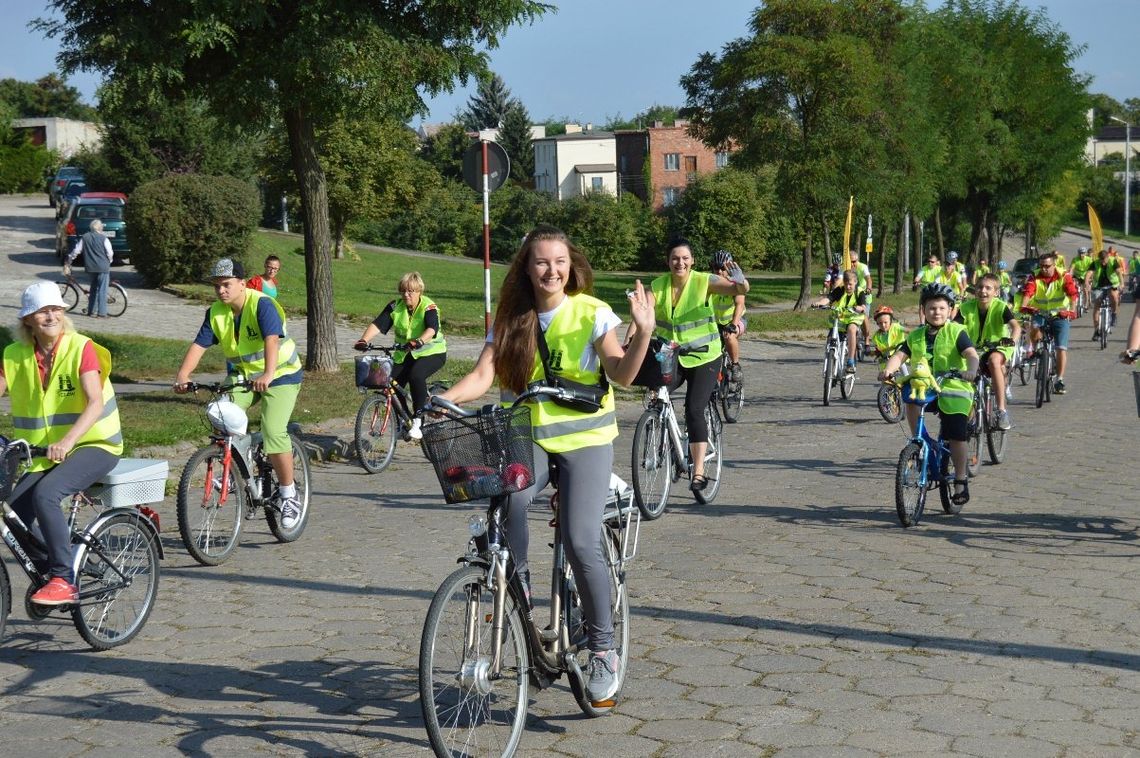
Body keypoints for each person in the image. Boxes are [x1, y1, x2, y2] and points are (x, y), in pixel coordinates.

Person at [436, 225, 655, 705]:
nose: (551, 269)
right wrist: (443, 399)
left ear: (571, 266)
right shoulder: (513, 318)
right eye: (541, 261)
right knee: (508, 496)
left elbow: (621, 371)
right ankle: (518, 587)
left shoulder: (592, 312)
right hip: (529, 438)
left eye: (560, 261)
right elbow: (482, 374)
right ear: (527, 268)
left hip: (586, 440)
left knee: (579, 538)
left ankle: (602, 649)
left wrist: (643, 333)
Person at [1, 282, 122, 605]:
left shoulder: (81, 347)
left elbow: (95, 402)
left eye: (55, 309)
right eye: (42, 311)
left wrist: (69, 440)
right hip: (46, 453)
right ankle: (50, 569)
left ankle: (63, 579)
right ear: (28, 319)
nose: (51, 315)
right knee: (12, 516)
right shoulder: (14, 355)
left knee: (47, 494)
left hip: (96, 443)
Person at [174, 258, 304, 529]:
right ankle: (236, 467)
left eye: (227, 285)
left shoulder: (262, 304)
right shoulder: (216, 313)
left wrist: (268, 374)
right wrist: (183, 376)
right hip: (243, 377)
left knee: (273, 430)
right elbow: (199, 345)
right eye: (217, 286)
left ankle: (289, 494)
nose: (221, 290)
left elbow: (271, 339)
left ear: (242, 284)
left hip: (281, 374)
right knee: (220, 412)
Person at [633, 238, 750, 495]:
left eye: (685, 258)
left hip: (705, 356)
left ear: (693, 261)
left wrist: (741, 281)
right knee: (656, 393)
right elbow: (644, 309)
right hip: (672, 356)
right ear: (668, 261)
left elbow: (736, 290)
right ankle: (662, 428)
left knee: (693, 408)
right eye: (675, 258)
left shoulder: (703, 281)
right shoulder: (659, 285)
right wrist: (632, 334)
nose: (680, 262)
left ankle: (698, 472)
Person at [880, 283, 980, 505]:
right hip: (925, 387)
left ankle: (961, 479)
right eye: (932, 308)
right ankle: (921, 441)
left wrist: (971, 370)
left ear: (951, 310)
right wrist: (889, 368)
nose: (937, 312)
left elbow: (971, 354)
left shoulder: (956, 331)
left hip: (953, 388)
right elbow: (900, 355)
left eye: (942, 308)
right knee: (911, 400)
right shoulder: (916, 335)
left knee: (956, 433)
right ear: (923, 310)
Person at [354, 271, 447, 440]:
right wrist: (363, 340)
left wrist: (420, 341)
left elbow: (432, 329)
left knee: (416, 375)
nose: (406, 295)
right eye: (403, 291)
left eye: (411, 291)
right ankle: (407, 421)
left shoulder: (428, 306)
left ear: (419, 291)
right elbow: (377, 324)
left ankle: (418, 420)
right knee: (388, 383)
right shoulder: (395, 306)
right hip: (404, 354)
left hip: (432, 352)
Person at [955, 273, 1020, 430]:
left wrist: (1012, 340)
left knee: (994, 361)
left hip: (998, 345)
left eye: (988, 288)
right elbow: (954, 328)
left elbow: (1016, 326)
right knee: (967, 375)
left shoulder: (1000, 307)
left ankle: (1002, 411)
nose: (983, 291)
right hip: (973, 349)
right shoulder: (965, 308)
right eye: (979, 287)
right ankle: (968, 417)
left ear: (996, 292)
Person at [1021, 250, 1078, 394]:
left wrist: (1072, 310)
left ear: (1054, 264)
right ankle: (1034, 352)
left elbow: (1072, 294)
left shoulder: (1064, 276)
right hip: (1040, 313)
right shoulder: (1035, 276)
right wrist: (1024, 306)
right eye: (1042, 266)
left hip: (1060, 314)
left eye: (1047, 266)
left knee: (1061, 348)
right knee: (1034, 328)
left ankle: (1059, 380)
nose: (1044, 269)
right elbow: (1028, 292)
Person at [812, 269, 867, 374]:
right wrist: (819, 303)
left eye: (850, 284)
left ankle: (850, 361)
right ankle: (830, 359)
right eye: (846, 284)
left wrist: (859, 308)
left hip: (853, 317)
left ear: (855, 282)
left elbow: (863, 306)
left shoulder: (859, 292)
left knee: (851, 330)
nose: (848, 287)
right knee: (830, 337)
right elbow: (829, 298)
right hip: (839, 318)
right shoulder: (840, 290)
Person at [708, 249, 747, 381]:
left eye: (722, 268)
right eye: (715, 268)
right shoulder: (710, 284)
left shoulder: (735, 283)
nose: (719, 271)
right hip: (716, 323)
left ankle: (735, 365)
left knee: (729, 337)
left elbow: (739, 304)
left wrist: (733, 325)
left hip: (736, 320)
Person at [65, 218, 114, 318]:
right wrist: (110, 261)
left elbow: (76, 251)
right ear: (100, 228)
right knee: (102, 290)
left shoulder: (85, 237)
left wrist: (69, 261)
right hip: (103, 267)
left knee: (93, 289)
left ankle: (91, 311)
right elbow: (110, 253)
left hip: (91, 267)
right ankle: (102, 313)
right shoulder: (104, 238)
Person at [1085, 246, 1124, 338]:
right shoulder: (1095, 263)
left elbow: (1119, 273)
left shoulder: (1113, 261)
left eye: (1104, 260)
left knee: (1114, 297)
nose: (1103, 262)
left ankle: (1114, 314)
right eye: (1101, 260)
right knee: (1097, 305)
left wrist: (1121, 283)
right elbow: (1089, 273)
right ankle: (1096, 330)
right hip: (1098, 285)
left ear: (1107, 257)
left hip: (1112, 284)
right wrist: (1087, 283)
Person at [848, 248, 874, 344]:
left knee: (864, 317)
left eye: (854, 261)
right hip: (852, 294)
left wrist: (869, 288)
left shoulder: (863, 267)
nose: (852, 264)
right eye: (850, 262)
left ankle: (867, 340)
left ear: (857, 260)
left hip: (864, 293)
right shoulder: (847, 267)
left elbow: (868, 279)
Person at [870, 305, 907, 371]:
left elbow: (907, 330)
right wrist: (874, 352)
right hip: (886, 359)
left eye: (885, 322)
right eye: (880, 323)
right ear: (877, 323)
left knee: (902, 367)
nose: (883, 325)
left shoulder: (896, 327)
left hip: (899, 354)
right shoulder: (876, 336)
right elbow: (878, 349)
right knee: (884, 377)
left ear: (890, 321)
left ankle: (906, 377)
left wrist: (914, 333)